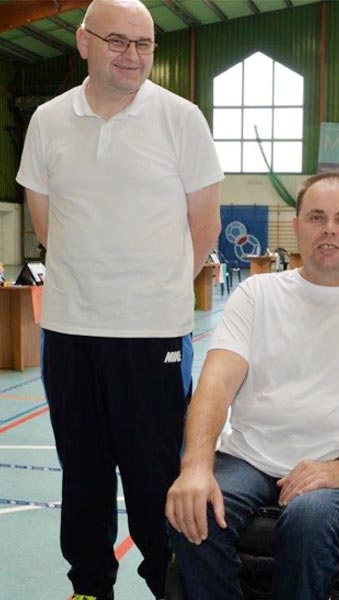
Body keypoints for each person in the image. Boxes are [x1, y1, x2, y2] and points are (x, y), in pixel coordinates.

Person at [14, 0, 223, 598]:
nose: (132, 55)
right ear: (84, 42)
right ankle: (88, 587)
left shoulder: (182, 119)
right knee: (82, 475)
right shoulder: (49, 120)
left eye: (144, 43)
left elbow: (203, 227)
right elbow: (47, 225)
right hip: (70, 332)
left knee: (156, 478)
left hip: (152, 336)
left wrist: (151, 291)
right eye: (117, 41)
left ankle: (168, 585)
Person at [165, 172, 339, 600]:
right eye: (317, 217)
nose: (329, 229)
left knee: (309, 520)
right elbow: (215, 381)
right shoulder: (256, 294)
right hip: (251, 457)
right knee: (193, 511)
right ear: (296, 226)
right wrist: (195, 466)